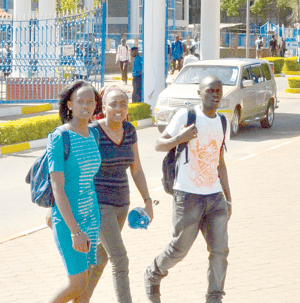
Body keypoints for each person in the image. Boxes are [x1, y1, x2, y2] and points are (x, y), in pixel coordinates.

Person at [144, 75, 232, 303]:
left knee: (220, 252)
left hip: (215, 197)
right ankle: (153, 274)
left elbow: (219, 162)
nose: (215, 94)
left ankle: (215, 297)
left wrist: (228, 198)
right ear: (199, 93)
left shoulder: (223, 122)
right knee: (179, 249)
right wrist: (179, 137)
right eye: (210, 90)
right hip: (188, 196)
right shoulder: (186, 116)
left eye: (219, 91)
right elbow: (158, 144)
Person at [82, 86, 154, 303]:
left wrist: (148, 201)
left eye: (123, 104)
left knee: (101, 260)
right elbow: (80, 170)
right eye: (113, 104)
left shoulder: (130, 130)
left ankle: (80, 299)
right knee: (120, 259)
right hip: (99, 205)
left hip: (122, 204)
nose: (119, 108)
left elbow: (137, 169)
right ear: (103, 107)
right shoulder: (93, 132)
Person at [47, 80, 103, 303]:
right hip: (70, 222)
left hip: (92, 217)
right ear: (70, 104)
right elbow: (57, 187)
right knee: (77, 283)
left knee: (85, 287)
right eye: (80, 101)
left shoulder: (94, 135)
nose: (86, 106)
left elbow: (89, 180)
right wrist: (74, 230)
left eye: (91, 102)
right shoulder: (60, 137)